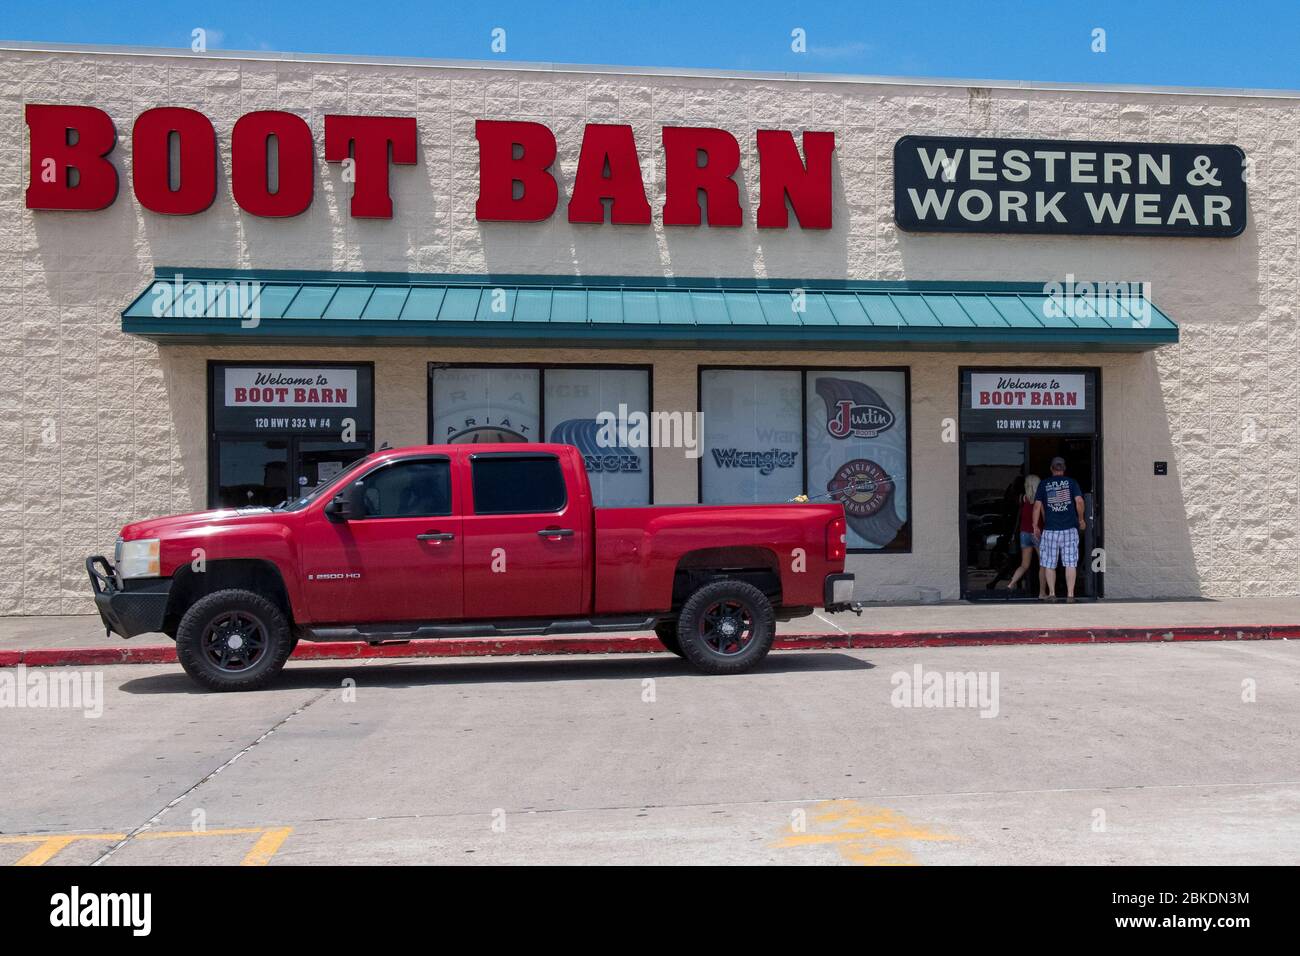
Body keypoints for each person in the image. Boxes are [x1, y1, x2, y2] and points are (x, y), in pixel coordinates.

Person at [1033, 456, 1086, 602]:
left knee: (1049, 563)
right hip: (1069, 528)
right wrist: (1081, 519)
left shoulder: (1044, 484)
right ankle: (1070, 595)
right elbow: (1079, 501)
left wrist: (1035, 525)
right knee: (1070, 562)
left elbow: (1037, 506)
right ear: (1064, 468)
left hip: (1050, 529)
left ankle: (1052, 593)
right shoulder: (1071, 482)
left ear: (1051, 469)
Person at [1007, 474, 1045, 597]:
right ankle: (1042, 593)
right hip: (1037, 534)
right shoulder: (1041, 500)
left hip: (1024, 534)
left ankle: (1012, 583)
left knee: (1024, 564)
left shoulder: (1022, 499)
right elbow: (1044, 518)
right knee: (1043, 564)